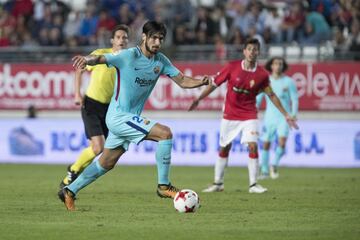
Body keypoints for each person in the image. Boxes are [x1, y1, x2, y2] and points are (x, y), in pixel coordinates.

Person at [59, 21, 209, 211]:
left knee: (106, 162)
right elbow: (101, 59)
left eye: (160, 39)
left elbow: (183, 81)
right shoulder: (129, 56)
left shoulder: (161, 61)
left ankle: (69, 191)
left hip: (127, 118)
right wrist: (86, 60)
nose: (157, 42)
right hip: (119, 117)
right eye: (153, 38)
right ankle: (164, 186)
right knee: (165, 133)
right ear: (144, 37)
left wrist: (201, 81)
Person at [188, 38, 298, 194]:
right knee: (225, 147)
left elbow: (271, 95)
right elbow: (213, 84)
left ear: (259, 52)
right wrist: (198, 99)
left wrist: (286, 114)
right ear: (244, 51)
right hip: (230, 114)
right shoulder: (232, 67)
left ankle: (254, 184)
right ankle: (218, 183)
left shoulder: (261, 74)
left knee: (253, 145)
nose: (252, 52)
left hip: (249, 114)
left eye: (255, 49)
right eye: (250, 49)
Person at [58, 24, 129, 190]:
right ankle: (73, 171)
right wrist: (77, 93)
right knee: (98, 147)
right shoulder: (100, 54)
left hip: (110, 109)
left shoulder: (128, 60)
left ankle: (74, 171)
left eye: (124, 37)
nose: (121, 40)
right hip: (91, 104)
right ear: (112, 40)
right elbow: (79, 69)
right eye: (118, 37)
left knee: (98, 149)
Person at [256, 57, 298, 179]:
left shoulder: (289, 82)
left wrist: (293, 114)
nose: (278, 66)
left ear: (283, 66)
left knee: (282, 142)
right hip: (269, 117)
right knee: (266, 144)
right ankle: (264, 171)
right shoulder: (266, 81)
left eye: (280, 64)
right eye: (276, 63)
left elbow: (294, 99)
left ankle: (274, 165)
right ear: (271, 66)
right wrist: (254, 109)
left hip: (284, 117)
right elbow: (259, 98)